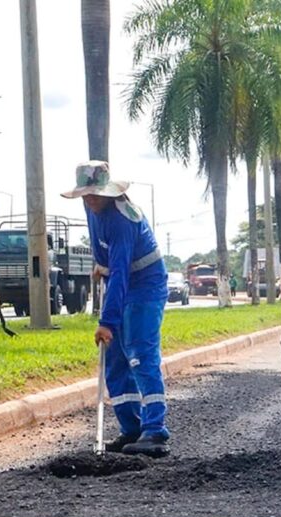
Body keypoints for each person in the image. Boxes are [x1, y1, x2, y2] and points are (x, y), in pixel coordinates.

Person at [62, 161, 171, 457]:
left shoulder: (123, 220)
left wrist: (107, 322)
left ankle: (155, 431)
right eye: (85, 194)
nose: (90, 199)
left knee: (139, 353)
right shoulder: (91, 206)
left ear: (108, 191)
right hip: (121, 279)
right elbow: (109, 256)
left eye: (95, 194)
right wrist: (101, 263)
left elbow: (122, 271)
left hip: (145, 285)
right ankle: (132, 428)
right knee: (117, 360)